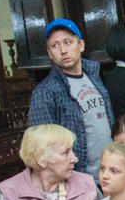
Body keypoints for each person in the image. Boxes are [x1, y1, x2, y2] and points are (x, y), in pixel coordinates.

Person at [27, 18, 113, 178]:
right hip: (77, 178)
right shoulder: (45, 92)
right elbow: (41, 147)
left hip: (108, 173)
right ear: (49, 53)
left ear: (81, 45)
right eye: (55, 45)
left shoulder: (94, 76)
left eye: (68, 42)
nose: (63, 50)